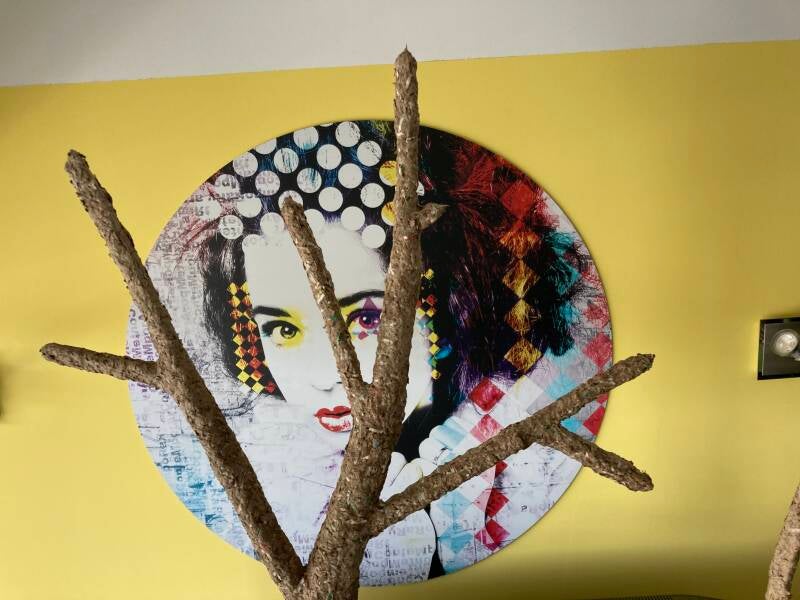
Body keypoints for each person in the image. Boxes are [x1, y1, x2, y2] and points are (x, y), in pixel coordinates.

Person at [126, 120, 612, 585]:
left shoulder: (521, 461)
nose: (324, 376)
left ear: (445, 306)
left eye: (365, 319)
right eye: (282, 329)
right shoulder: (278, 474)